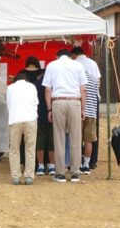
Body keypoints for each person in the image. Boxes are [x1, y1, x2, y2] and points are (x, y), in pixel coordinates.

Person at [42, 48, 87, 183]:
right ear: (69, 56)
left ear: (57, 56)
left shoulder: (51, 65)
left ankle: (60, 173)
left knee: (59, 138)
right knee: (76, 138)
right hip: (75, 102)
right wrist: (83, 109)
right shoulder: (78, 65)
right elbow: (83, 89)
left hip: (58, 101)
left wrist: (49, 109)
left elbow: (48, 89)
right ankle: (75, 172)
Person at [20, 56, 54, 176]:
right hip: (51, 116)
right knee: (52, 141)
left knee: (36, 141)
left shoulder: (31, 81)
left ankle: (38, 166)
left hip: (35, 115)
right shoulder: (51, 83)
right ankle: (51, 165)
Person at [72, 45, 101, 175]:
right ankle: (87, 164)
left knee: (77, 138)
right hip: (92, 110)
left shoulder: (77, 78)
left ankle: (76, 164)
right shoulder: (93, 72)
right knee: (88, 140)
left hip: (79, 110)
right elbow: (98, 91)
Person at [6, 70, 38, 185]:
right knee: (30, 148)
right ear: (26, 80)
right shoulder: (32, 87)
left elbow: (9, 105)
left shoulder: (10, 88)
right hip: (30, 119)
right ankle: (29, 176)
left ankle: (16, 176)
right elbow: (36, 103)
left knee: (14, 149)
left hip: (15, 119)